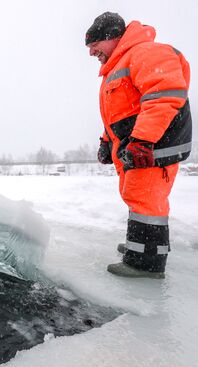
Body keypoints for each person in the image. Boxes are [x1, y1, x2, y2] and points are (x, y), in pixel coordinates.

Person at [86, 12, 192, 278]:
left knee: (146, 199)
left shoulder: (145, 53)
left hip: (154, 146)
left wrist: (143, 139)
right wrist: (106, 141)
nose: (92, 53)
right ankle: (142, 246)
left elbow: (164, 96)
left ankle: (146, 263)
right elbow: (119, 114)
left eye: (94, 46)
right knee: (136, 194)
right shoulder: (118, 66)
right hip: (137, 147)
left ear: (110, 37)